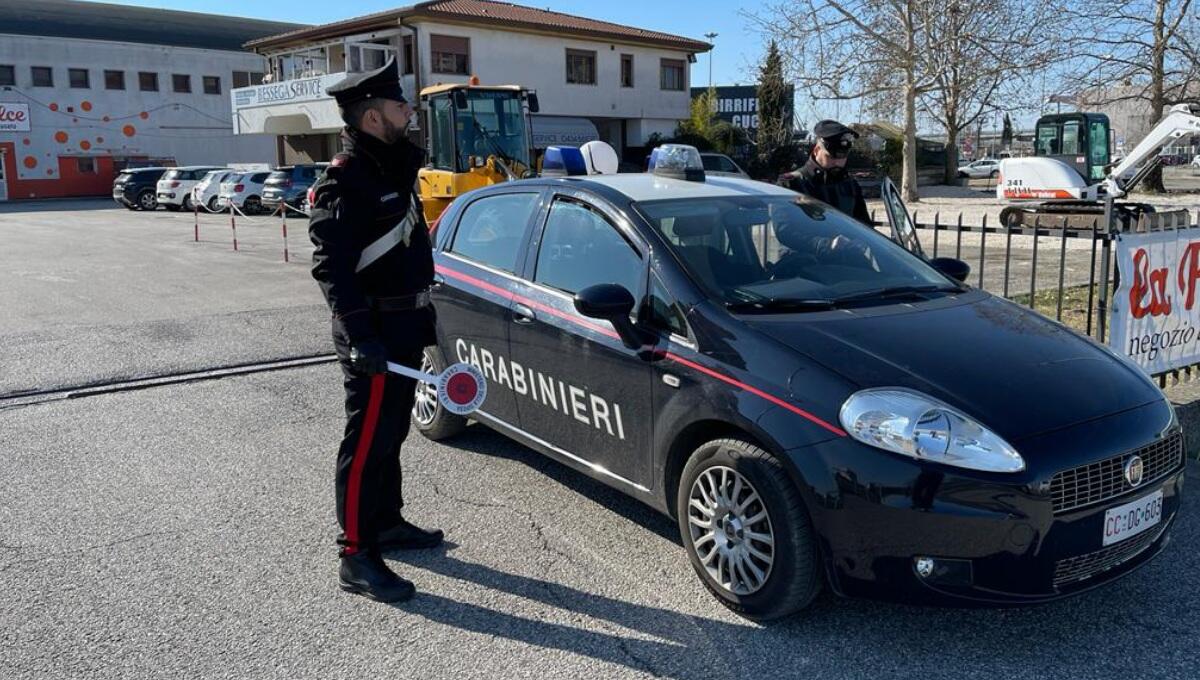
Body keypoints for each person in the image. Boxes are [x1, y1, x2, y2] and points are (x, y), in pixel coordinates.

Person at [308, 57, 443, 604]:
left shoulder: (392, 167)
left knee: (391, 433)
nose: (408, 111)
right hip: (374, 334)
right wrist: (362, 338)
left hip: (403, 325)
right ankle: (357, 555)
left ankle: (386, 522)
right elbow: (332, 270)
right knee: (365, 442)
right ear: (371, 118)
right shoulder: (345, 180)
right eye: (398, 105)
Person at [784, 119, 872, 225]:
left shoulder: (850, 185)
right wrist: (823, 242)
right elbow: (785, 229)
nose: (837, 163)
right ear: (816, 151)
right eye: (831, 157)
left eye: (842, 157)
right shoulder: (792, 183)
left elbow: (865, 226)